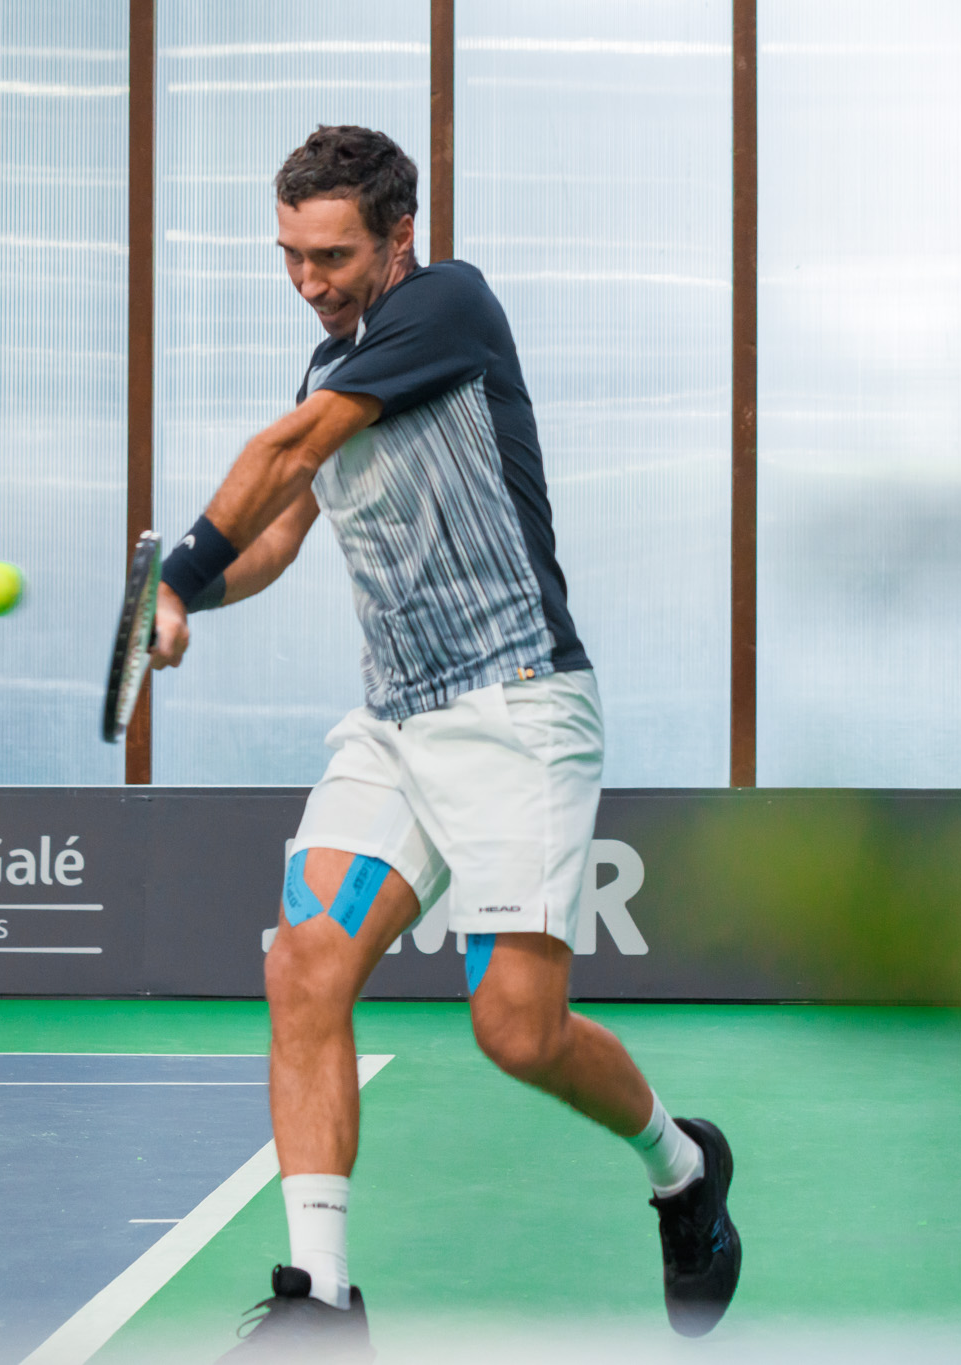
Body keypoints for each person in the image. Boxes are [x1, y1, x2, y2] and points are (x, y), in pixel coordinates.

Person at [149, 125, 740, 1359]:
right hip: (394, 717)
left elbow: (286, 452)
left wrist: (179, 562)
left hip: (515, 708)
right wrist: (181, 596)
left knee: (514, 1033)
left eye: (330, 254)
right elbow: (283, 531)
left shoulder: (446, 307)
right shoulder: (336, 355)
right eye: (289, 256)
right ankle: (320, 1301)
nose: (308, 279)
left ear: (398, 234)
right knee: (305, 964)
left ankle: (681, 1170)